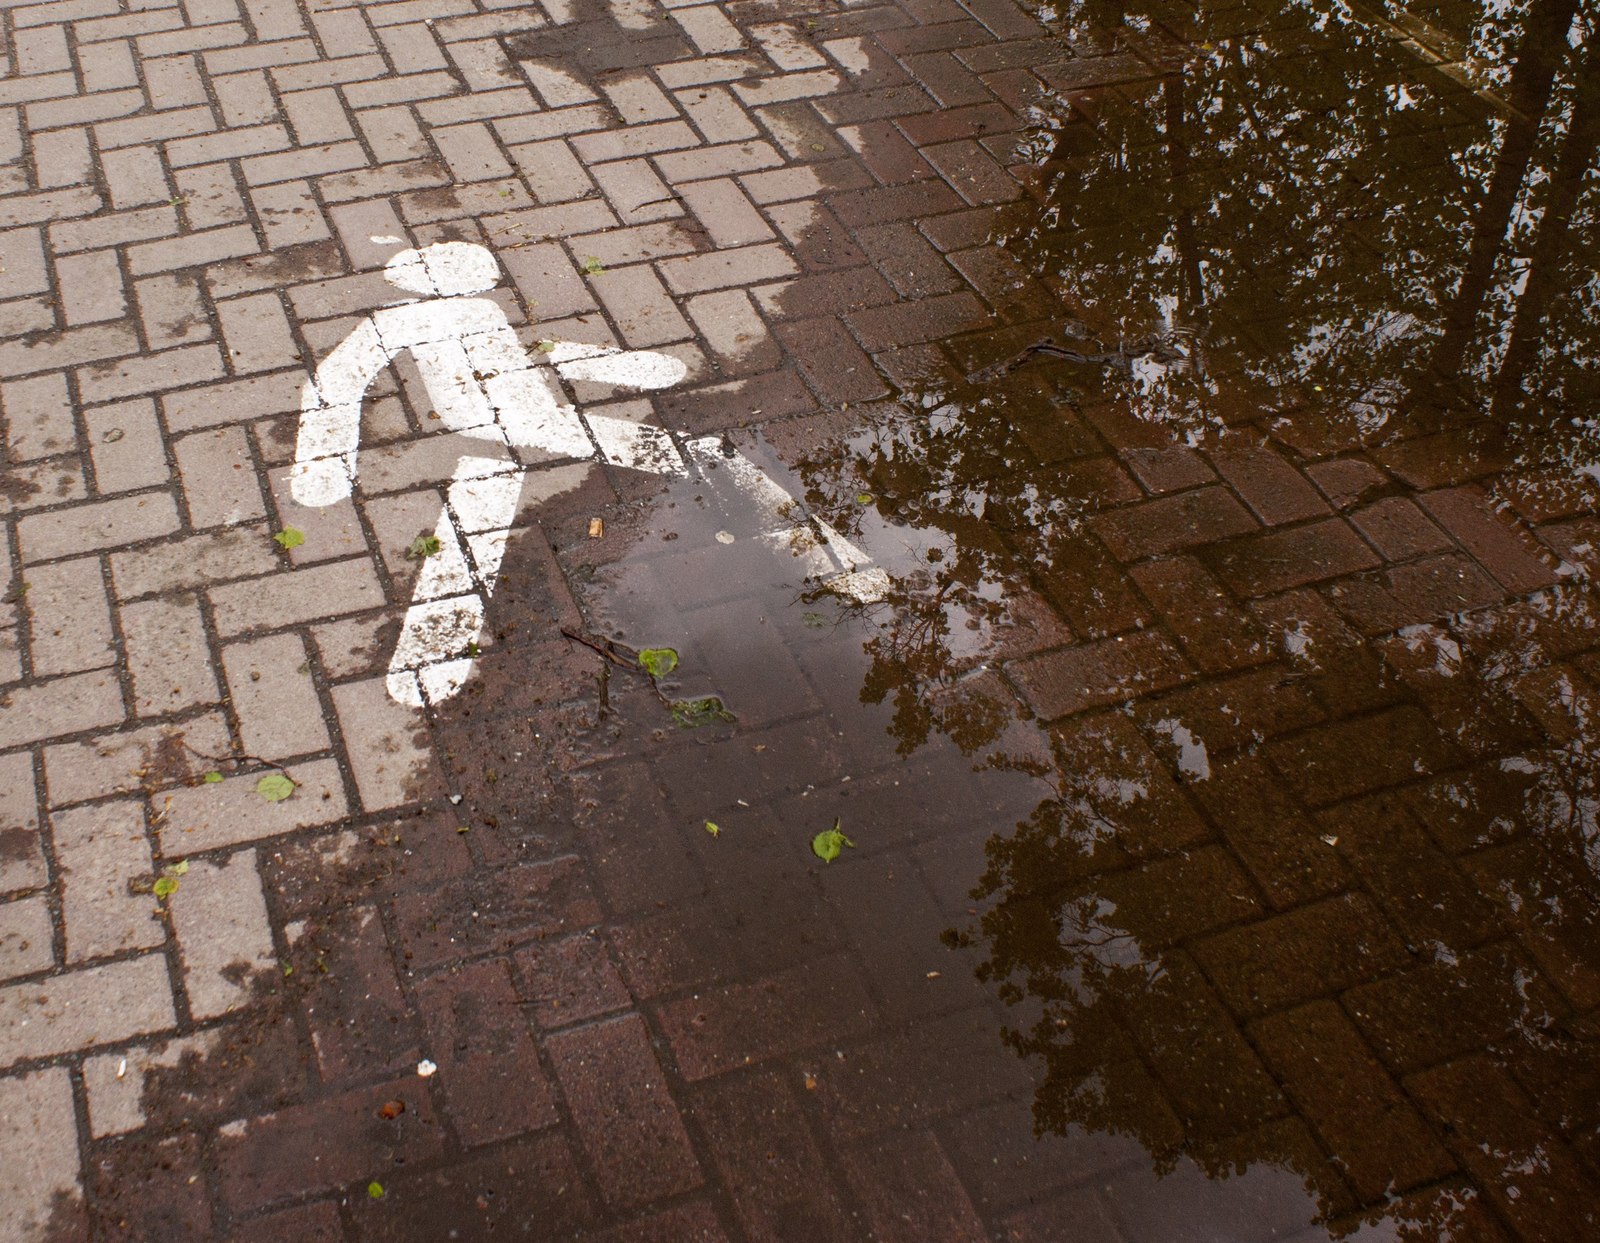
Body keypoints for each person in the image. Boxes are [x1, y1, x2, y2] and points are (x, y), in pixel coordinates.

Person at [292, 241, 882, 707]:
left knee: (478, 511)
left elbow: (530, 359)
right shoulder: (397, 321)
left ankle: (430, 656)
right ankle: (821, 552)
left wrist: (617, 364)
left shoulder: (483, 310)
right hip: (509, 424)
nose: (480, 275)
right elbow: (342, 378)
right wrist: (325, 459)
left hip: (535, 418)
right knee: (696, 452)